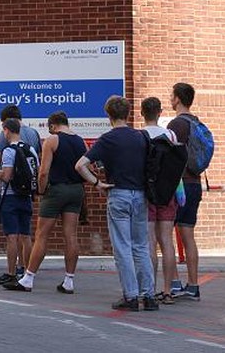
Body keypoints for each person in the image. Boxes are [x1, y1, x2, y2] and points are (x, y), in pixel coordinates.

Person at [75, 95, 158, 311]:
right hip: (140, 195)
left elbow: (80, 165)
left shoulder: (107, 139)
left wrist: (97, 183)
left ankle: (130, 296)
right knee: (141, 246)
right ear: (128, 113)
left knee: (122, 247)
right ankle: (148, 295)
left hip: (118, 194)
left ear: (109, 115)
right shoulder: (141, 137)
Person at [4, 112, 86, 293]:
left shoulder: (52, 140)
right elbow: (88, 167)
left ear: (52, 125)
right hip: (76, 189)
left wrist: (41, 190)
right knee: (71, 236)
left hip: (56, 190)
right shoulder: (81, 141)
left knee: (42, 235)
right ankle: (69, 281)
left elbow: (43, 172)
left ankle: (28, 278)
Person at [0, 105, 42, 276]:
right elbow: (38, 163)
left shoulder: (7, 140)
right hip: (27, 191)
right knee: (25, 234)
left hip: (9, 191)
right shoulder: (34, 135)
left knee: (7, 233)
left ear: (6, 125)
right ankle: (26, 270)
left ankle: (6, 271)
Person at [168, 83, 206, 301]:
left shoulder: (177, 124)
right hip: (195, 183)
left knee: (165, 234)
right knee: (188, 235)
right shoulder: (196, 122)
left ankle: (174, 283)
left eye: (171, 96)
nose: (170, 99)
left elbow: (168, 156)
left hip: (178, 185)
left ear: (178, 99)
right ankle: (193, 286)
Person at [140, 97, 179, 305]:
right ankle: (168, 290)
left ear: (141, 113)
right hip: (168, 193)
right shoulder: (170, 134)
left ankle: (150, 289)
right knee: (167, 241)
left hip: (147, 193)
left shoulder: (141, 135)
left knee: (149, 243)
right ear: (160, 112)